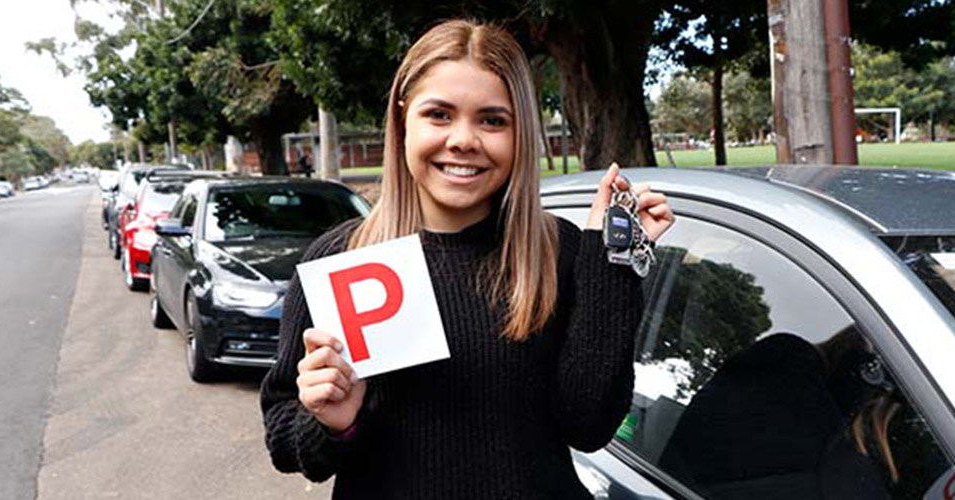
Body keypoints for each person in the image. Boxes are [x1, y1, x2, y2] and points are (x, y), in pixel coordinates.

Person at [260, 19, 675, 499]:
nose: (463, 140)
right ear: (401, 120)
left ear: (522, 133)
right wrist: (332, 423)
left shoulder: (558, 251)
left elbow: (588, 425)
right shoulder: (341, 257)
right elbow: (285, 440)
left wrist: (614, 262)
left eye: (493, 120)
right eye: (439, 114)